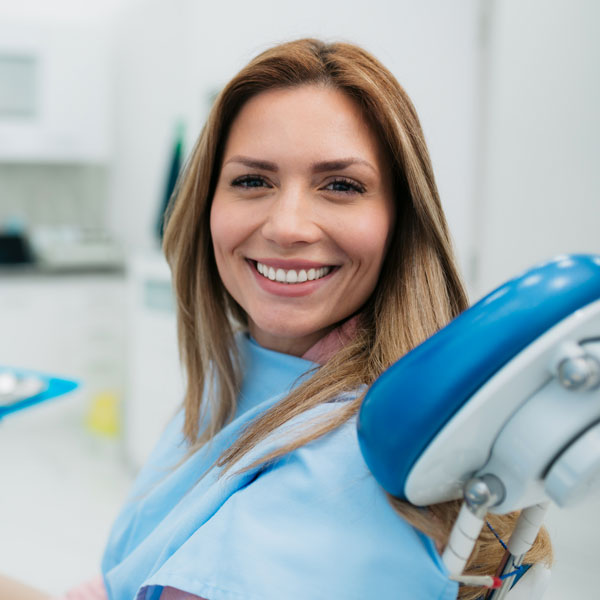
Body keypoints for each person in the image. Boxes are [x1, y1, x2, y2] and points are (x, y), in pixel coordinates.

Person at [1, 38, 552, 600]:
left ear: (400, 222)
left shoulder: (356, 461)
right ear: (207, 205)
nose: (288, 226)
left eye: (340, 185)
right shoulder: (244, 368)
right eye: (252, 181)